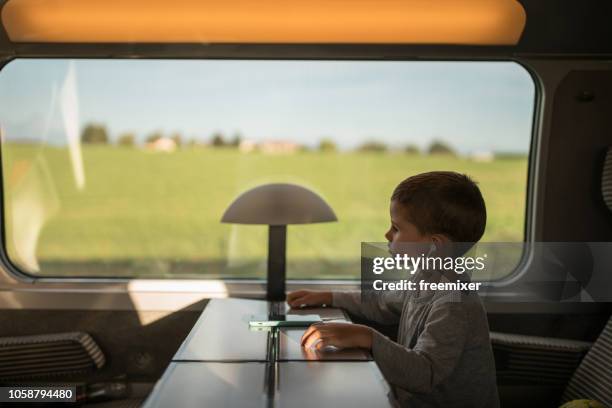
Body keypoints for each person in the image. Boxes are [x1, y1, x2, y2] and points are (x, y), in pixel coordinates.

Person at [287, 171, 499, 408]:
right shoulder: (426, 277)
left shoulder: (454, 302)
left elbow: (425, 373)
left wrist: (367, 337)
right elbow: (383, 303)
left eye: (396, 228)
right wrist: (329, 296)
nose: (387, 235)